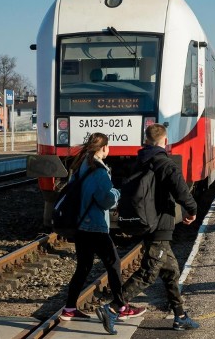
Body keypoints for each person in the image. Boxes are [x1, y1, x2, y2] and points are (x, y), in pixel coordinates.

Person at [96, 124, 199, 333]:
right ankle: (114, 308)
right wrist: (192, 211)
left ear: (146, 140)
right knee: (148, 273)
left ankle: (179, 316)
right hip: (160, 225)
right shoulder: (166, 164)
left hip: (146, 222)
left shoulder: (140, 162)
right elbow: (182, 191)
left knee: (171, 271)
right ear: (165, 141)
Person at [60, 133, 142, 329]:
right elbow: (105, 199)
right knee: (113, 264)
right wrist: (118, 192)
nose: (109, 150)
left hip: (81, 225)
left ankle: (69, 309)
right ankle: (121, 307)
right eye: (108, 147)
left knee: (84, 266)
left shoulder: (81, 167)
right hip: (95, 226)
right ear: (103, 148)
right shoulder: (99, 171)